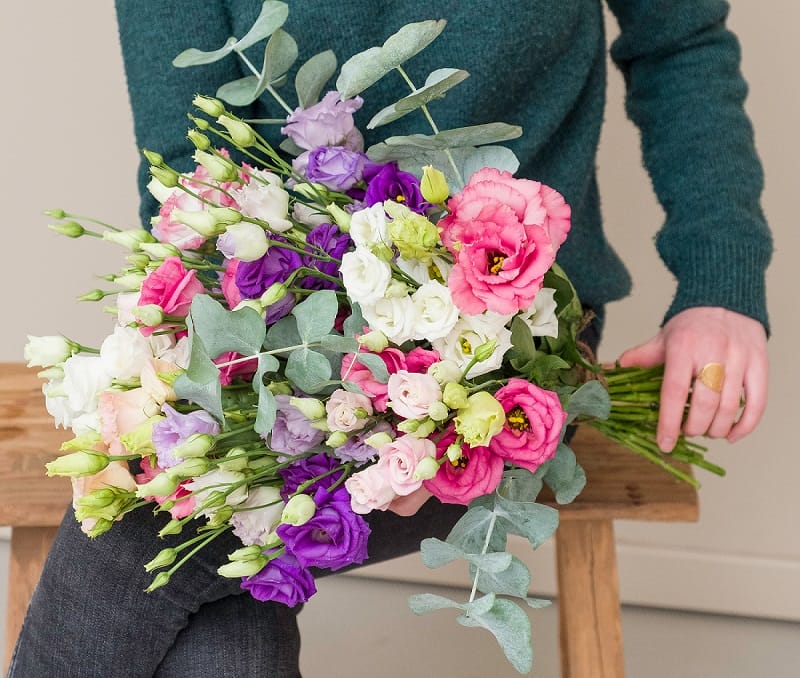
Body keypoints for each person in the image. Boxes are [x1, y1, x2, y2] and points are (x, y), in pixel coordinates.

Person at [8, 1, 771, 676]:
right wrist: (338, 388)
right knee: (209, 604)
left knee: (137, 539)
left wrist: (719, 285)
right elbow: (192, 170)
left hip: (505, 354)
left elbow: (680, 42)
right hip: (269, 336)